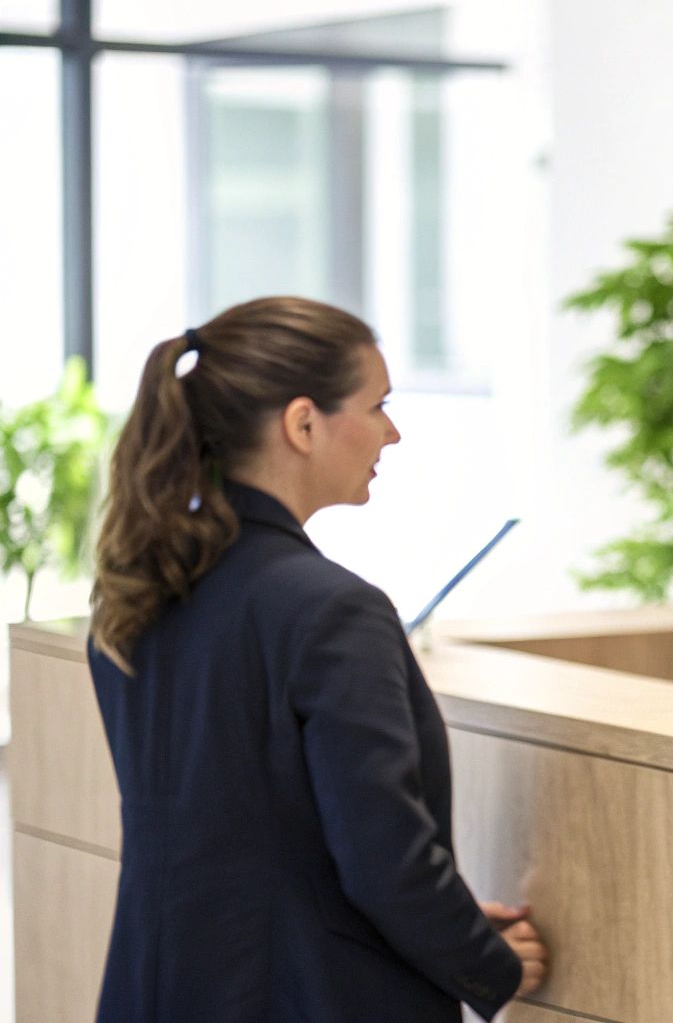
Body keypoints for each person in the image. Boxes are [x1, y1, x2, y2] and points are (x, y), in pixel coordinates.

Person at [87, 296, 548, 1021]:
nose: (392, 432)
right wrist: (487, 963)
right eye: (379, 405)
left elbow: (246, 842)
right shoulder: (333, 612)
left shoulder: (139, 595)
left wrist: (449, 928)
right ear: (303, 424)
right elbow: (385, 863)